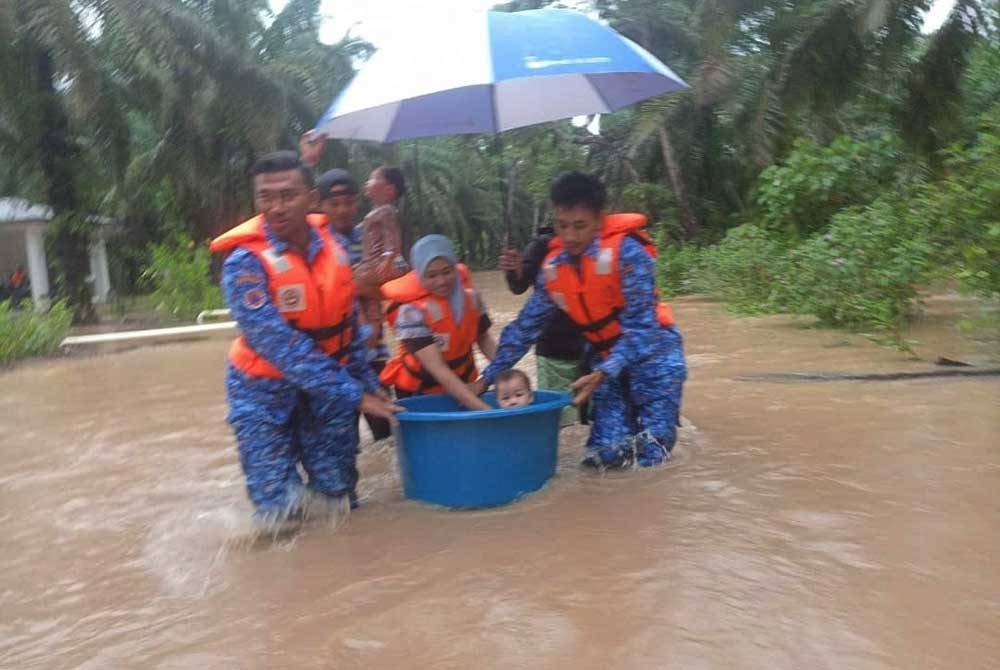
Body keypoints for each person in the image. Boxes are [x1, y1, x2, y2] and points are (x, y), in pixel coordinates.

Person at [210, 151, 401, 522]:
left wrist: (365, 379)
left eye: (287, 195)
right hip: (262, 392)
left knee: (338, 499)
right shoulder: (243, 264)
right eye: (266, 197)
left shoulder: (337, 248)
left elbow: (345, 322)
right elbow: (280, 347)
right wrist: (355, 394)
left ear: (311, 199)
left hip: (329, 388)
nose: (276, 207)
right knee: (280, 511)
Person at [474, 171, 687, 469]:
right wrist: (485, 379)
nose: (570, 236)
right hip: (603, 363)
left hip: (654, 357)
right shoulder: (553, 268)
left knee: (652, 452)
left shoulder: (629, 255)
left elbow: (642, 329)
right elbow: (524, 329)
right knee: (604, 458)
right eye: (562, 225)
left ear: (600, 219)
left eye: (580, 226)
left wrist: (605, 371)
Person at [315, 168, 393, 441]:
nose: (342, 210)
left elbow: (397, 284)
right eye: (334, 204)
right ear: (320, 204)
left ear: (357, 202)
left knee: (388, 433)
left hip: (375, 356)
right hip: (333, 360)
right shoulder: (314, 245)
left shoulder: (369, 237)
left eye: (348, 202)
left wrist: (360, 284)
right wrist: (357, 283)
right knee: (342, 440)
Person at [380, 234, 497, 411]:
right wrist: (485, 410)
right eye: (431, 276)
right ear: (419, 276)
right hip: (420, 392)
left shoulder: (472, 298)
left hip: (465, 383)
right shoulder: (411, 312)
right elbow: (438, 368)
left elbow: (485, 341)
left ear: (455, 268)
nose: (441, 281)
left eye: (447, 271)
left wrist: (503, 377)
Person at [499, 225, 588, 426]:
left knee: (593, 415)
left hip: (594, 349)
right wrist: (514, 271)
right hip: (554, 350)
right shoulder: (542, 245)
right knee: (561, 418)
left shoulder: (600, 243)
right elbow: (518, 285)